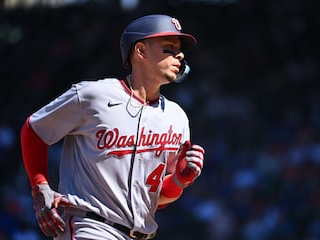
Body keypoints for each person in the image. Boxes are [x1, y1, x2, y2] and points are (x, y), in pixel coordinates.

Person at [20, 14, 205, 240]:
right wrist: (40, 187)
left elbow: (156, 198)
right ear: (141, 51)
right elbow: (34, 130)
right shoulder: (93, 95)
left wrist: (179, 180)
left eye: (180, 49)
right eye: (169, 48)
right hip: (89, 227)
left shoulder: (177, 117)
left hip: (140, 233)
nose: (180, 54)